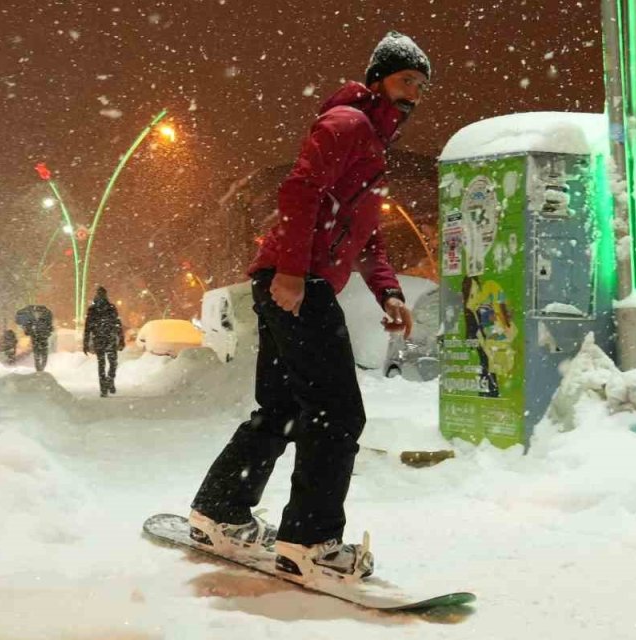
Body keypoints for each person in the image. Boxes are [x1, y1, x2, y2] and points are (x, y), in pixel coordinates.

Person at [189, 31, 429, 582]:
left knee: (283, 408)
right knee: (337, 412)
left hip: (292, 279)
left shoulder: (372, 144)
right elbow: (300, 191)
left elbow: (366, 236)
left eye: (420, 85)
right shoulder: (349, 126)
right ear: (377, 80)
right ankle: (311, 542)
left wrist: (387, 290)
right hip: (300, 282)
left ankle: (219, 510)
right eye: (404, 80)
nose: (412, 94)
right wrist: (295, 272)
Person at [83, 286, 125, 397]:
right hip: (109, 338)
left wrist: (86, 343)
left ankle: (103, 388)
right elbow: (118, 325)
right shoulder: (111, 308)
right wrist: (121, 339)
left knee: (101, 364)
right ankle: (110, 380)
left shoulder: (92, 309)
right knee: (113, 363)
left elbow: (88, 328)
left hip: (99, 339)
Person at [18, 304, 54, 372]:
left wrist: (28, 330)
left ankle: (39, 368)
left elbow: (27, 331)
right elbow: (50, 328)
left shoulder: (32, 319)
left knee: (38, 354)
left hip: (36, 339)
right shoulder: (46, 318)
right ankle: (41, 367)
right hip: (42, 338)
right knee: (43, 354)